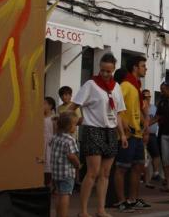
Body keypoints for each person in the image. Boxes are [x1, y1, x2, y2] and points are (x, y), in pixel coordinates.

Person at [71, 52, 129, 217]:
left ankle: (101, 210)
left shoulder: (116, 87)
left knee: (105, 173)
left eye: (108, 71)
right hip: (93, 129)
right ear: (99, 68)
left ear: (113, 70)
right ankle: (82, 211)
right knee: (92, 172)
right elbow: (75, 104)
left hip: (111, 132)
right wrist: (67, 121)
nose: (105, 74)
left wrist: (122, 135)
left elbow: (118, 113)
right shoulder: (90, 84)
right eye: (103, 70)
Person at [113, 55, 151, 212]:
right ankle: (121, 201)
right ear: (135, 67)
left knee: (138, 167)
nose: (145, 68)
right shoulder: (126, 85)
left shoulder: (136, 86)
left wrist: (145, 125)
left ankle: (133, 199)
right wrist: (123, 127)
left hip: (137, 134)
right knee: (121, 168)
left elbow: (136, 110)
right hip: (127, 135)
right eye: (143, 66)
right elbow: (115, 107)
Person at [51, 112, 80, 217]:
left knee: (58, 195)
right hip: (66, 173)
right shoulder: (70, 140)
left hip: (56, 172)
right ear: (69, 126)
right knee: (65, 195)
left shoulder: (55, 137)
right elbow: (71, 156)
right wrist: (78, 165)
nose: (76, 127)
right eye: (75, 124)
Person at [142, 89, 162, 188]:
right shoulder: (140, 107)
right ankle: (144, 177)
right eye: (145, 97)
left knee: (156, 154)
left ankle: (156, 173)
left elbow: (158, 119)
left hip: (153, 134)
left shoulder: (154, 108)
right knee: (143, 157)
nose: (147, 98)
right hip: (142, 135)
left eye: (148, 97)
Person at [44, 97, 57, 187]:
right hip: (41, 142)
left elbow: (56, 132)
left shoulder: (54, 117)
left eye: (44, 103)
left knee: (50, 164)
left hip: (50, 143)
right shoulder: (39, 116)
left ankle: (51, 185)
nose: (42, 106)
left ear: (50, 106)